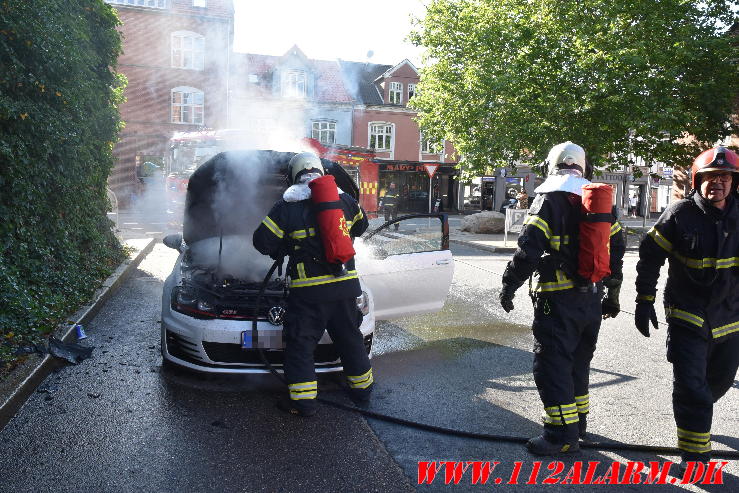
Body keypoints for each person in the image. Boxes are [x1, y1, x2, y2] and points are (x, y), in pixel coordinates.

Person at [499, 142, 626, 455]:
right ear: (584, 167)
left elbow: (527, 251)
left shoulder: (549, 199)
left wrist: (508, 284)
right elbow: (617, 249)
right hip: (592, 300)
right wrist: (612, 293)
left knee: (552, 365)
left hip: (556, 301)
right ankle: (578, 426)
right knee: (578, 364)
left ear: (550, 165)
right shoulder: (601, 201)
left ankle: (559, 436)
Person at [634, 146, 739, 468]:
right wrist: (644, 300)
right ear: (697, 180)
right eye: (709, 177)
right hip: (687, 314)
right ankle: (695, 454)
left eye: (724, 177)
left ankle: (698, 413)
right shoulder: (680, 214)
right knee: (691, 385)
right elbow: (650, 257)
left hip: (731, 318)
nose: (716, 183)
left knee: (718, 382)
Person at [253, 152, 371, 417]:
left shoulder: (287, 205)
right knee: (351, 339)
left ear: (294, 176)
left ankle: (304, 403)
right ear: (320, 171)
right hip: (345, 287)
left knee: (301, 346)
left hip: (309, 293)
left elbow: (262, 242)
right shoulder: (345, 199)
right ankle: (362, 391)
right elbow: (362, 227)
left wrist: (289, 244)